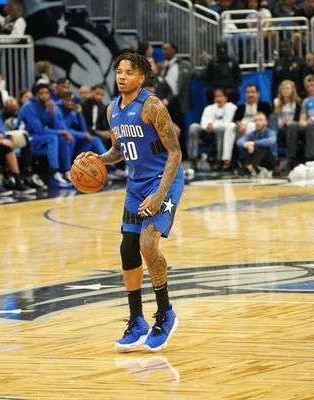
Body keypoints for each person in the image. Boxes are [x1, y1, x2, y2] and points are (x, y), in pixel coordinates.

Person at [75, 53, 183, 352]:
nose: (122, 77)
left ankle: (165, 313)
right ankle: (137, 321)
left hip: (164, 181)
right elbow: (118, 150)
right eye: (118, 72)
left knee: (148, 245)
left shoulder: (152, 106)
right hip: (136, 186)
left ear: (141, 77)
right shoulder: (112, 110)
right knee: (127, 249)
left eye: (129, 72)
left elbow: (175, 153)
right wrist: (97, 159)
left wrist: (161, 194)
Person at [188, 88, 237, 170]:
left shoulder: (232, 107)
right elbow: (203, 121)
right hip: (207, 133)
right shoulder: (209, 108)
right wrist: (207, 127)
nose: (218, 99)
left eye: (220, 96)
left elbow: (228, 122)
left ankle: (219, 160)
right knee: (193, 127)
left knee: (221, 129)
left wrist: (213, 126)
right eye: (216, 96)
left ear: (226, 98)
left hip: (222, 133)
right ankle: (193, 158)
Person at [235, 111, 277, 176]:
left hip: (270, 160)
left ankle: (250, 167)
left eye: (260, 120)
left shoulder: (271, 132)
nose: (257, 122)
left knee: (262, 145)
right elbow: (239, 142)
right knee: (247, 146)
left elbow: (271, 141)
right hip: (257, 159)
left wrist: (254, 143)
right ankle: (252, 167)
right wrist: (246, 144)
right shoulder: (252, 133)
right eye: (256, 120)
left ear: (266, 122)